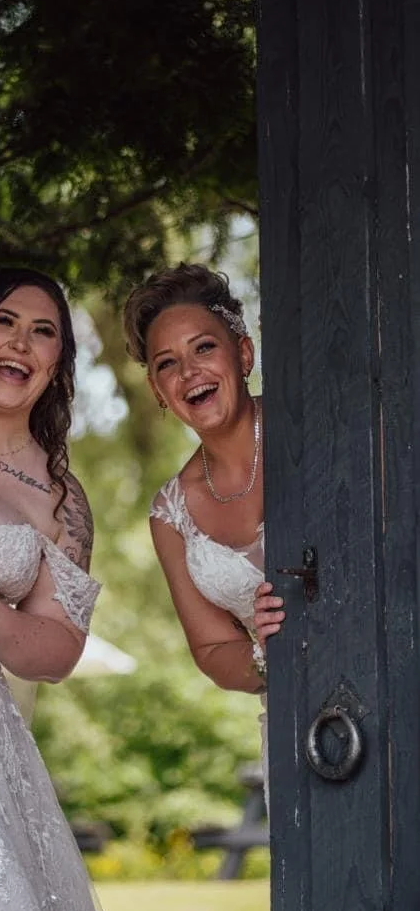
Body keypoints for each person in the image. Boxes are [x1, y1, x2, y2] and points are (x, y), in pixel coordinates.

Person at [0, 267, 137, 911]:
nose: (21, 343)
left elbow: (60, 651)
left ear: (59, 362)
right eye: (4, 321)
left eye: (44, 332)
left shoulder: (60, 495)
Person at [123, 262, 286, 807]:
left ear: (243, 354)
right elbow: (214, 648)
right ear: (157, 390)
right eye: (167, 363)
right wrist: (264, 653)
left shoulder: (312, 429)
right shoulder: (170, 515)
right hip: (293, 713)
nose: (188, 371)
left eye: (203, 349)